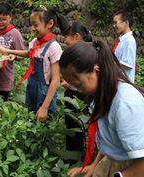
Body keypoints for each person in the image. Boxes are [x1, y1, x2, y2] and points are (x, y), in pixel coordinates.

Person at [60, 40, 144, 177]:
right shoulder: (102, 94)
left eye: (78, 84)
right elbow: (110, 140)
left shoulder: (125, 104)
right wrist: (94, 165)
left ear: (96, 71)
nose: (78, 90)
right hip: (114, 161)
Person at [0, 5, 68, 121]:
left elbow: (55, 80)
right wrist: (7, 51)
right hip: (32, 88)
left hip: (45, 94)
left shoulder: (54, 48)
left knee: (44, 126)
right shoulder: (35, 42)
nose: (32, 28)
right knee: (31, 120)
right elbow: (28, 53)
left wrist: (44, 107)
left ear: (49, 24)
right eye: (31, 25)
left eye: (35, 25)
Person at [62, 21, 92, 160]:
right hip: (73, 93)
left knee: (77, 128)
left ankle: (77, 158)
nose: (65, 40)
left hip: (79, 96)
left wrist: (72, 85)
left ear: (76, 36)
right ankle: (73, 157)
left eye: (66, 36)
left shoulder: (84, 54)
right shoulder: (81, 51)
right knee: (72, 127)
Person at [112, 10, 136, 83]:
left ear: (126, 23)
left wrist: (108, 63)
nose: (114, 26)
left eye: (116, 23)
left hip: (124, 83)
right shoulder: (122, 40)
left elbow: (127, 65)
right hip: (117, 81)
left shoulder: (129, 41)